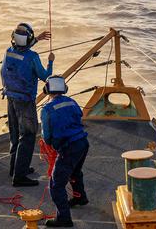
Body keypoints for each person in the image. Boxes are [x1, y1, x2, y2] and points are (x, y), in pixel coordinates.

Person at [1, 22, 55, 186]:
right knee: (28, 136)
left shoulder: (8, 52)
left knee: (15, 135)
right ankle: (19, 177)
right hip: (24, 101)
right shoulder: (32, 57)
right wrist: (50, 62)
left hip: (10, 99)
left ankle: (16, 168)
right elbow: (46, 76)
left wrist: (36, 39)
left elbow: (21, 50)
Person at [40, 75, 89, 228]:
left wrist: (52, 145)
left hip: (68, 148)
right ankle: (80, 197)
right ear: (64, 89)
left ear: (46, 89)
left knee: (56, 184)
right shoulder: (72, 101)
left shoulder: (47, 109)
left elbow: (46, 136)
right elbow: (79, 117)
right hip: (83, 143)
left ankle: (64, 218)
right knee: (75, 172)